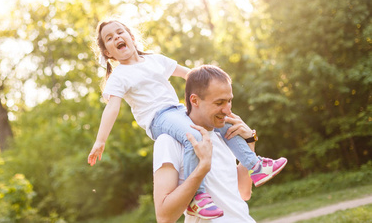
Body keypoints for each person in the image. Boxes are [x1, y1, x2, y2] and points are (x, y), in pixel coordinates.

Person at [87, 20, 286, 219]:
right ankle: (197, 197)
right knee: (193, 137)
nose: (117, 38)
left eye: (120, 32)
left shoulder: (155, 60)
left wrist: (213, 85)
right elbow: (112, 108)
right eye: (109, 39)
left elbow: (190, 75)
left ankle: (256, 166)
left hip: (179, 111)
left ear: (131, 37)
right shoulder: (119, 76)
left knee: (226, 125)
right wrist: (100, 141)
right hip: (159, 118)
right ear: (108, 53)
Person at [154, 65, 277, 222]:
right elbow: (164, 217)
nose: (227, 110)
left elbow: (243, 192)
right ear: (195, 100)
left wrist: (249, 143)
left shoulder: (225, 136)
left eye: (229, 101)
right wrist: (202, 167)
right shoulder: (169, 141)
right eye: (219, 103)